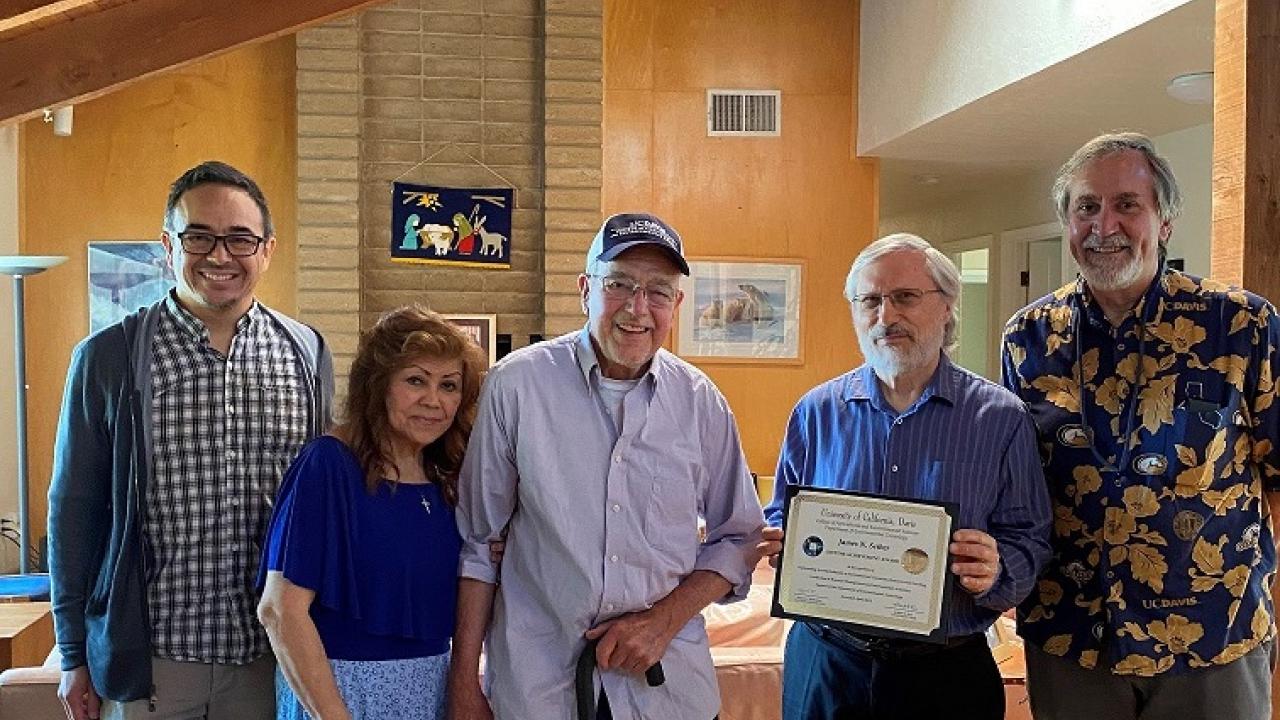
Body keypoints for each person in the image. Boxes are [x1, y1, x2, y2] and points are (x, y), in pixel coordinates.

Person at [1001, 131, 1280, 720]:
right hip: (1071, 636)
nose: (1104, 225)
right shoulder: (1028, 337)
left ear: (1164, 221)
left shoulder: (1243, 325)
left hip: (1213, 635)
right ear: (1067, 222)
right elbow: (1015, 483)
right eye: (1086, 206)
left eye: (1127, 204)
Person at [448, 212, 766, 720]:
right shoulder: (516, 386)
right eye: (619, 284)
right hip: (538, 687)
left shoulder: (701, 401)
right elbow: (479, 545)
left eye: (658, 291)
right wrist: (464, 681)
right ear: (585, 290)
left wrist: (664, 621)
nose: (638, 308)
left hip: (666, 691)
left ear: (677, 304)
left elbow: (740, 537)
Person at [49, 161, 335, 720]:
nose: (220, 256)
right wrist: (73, 652)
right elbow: (74, 510)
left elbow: (325, 498)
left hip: (271, 658)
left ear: (267, 250)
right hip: (152, 660)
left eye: (240, 239)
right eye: (198, 236)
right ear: (167, 245)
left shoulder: (306, 353)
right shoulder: (108, 358)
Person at [763, 233, 1052, 720]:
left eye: (905, 297)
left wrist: (997, 569)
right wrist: (782, 544)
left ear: (947, 306)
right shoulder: (816, 412)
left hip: (946, 673)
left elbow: (1032, 537)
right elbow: (781, 512)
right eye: (870, 301)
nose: (886, 316)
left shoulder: (1000, 418)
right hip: (827, 663)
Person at [257, 306, 486, 720]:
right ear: (378, 385)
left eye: (449, 385)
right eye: (415, 380)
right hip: (339, 697)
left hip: (430, 694)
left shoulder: (448, 478)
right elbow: (280, 611)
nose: (433, 400)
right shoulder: (328, 465)